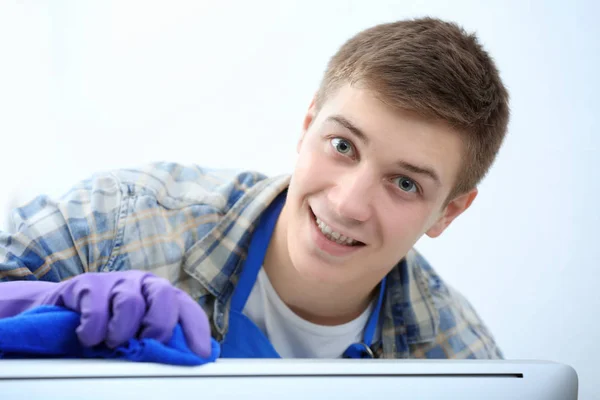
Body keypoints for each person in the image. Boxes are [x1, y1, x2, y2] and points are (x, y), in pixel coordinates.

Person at [0, 17, 509, 360]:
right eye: (343, 146)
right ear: (308, 124)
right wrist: (48, 306)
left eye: (404, 183)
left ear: (449, 213)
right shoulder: (122, 221)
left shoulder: (464, 359)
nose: (347, 204)